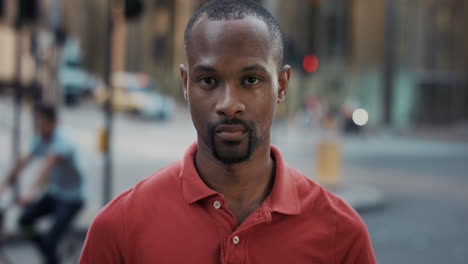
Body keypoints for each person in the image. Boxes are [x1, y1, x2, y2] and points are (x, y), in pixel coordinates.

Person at [79, 0, 377, 263]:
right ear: (185, 84)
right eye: (208, 80)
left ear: (282, 85)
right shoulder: (119, 227)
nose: (229, 104)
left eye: (250, 80)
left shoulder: (341, 232)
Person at [0, 104, 85, 264]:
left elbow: (47, 167)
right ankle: (48, 249)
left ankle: (50, 251)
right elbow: (22, 162)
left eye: (43, 123)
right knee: (24, 221)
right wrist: (3, 186)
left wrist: (31, 193)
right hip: (55, 194)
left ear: (53, 123)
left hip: (73, 199)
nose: (39, 127)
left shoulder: (63, 140)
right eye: (37, 123)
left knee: (50, 243)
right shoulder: (41, 137)